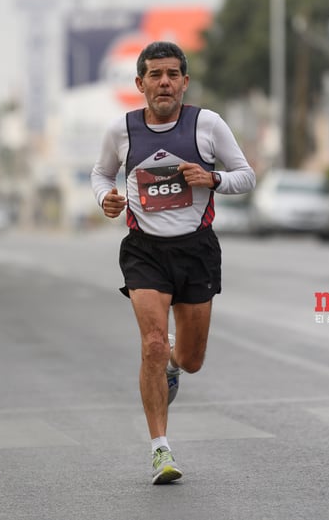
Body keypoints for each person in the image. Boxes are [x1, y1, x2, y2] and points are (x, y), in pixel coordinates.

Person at [91, 41, 256, 484]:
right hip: (144, 250)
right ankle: (160, 450)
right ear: (140, 84)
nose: (164, 82)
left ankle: (174, 366)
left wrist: (213, 177)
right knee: (151, 344)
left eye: (172, 74)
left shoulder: (208, 125)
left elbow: (246, 174)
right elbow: (101, 174)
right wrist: (105, 198)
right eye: (154, 74)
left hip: (196, 250)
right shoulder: (121, 130)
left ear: (184, 81)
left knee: (189, 357)